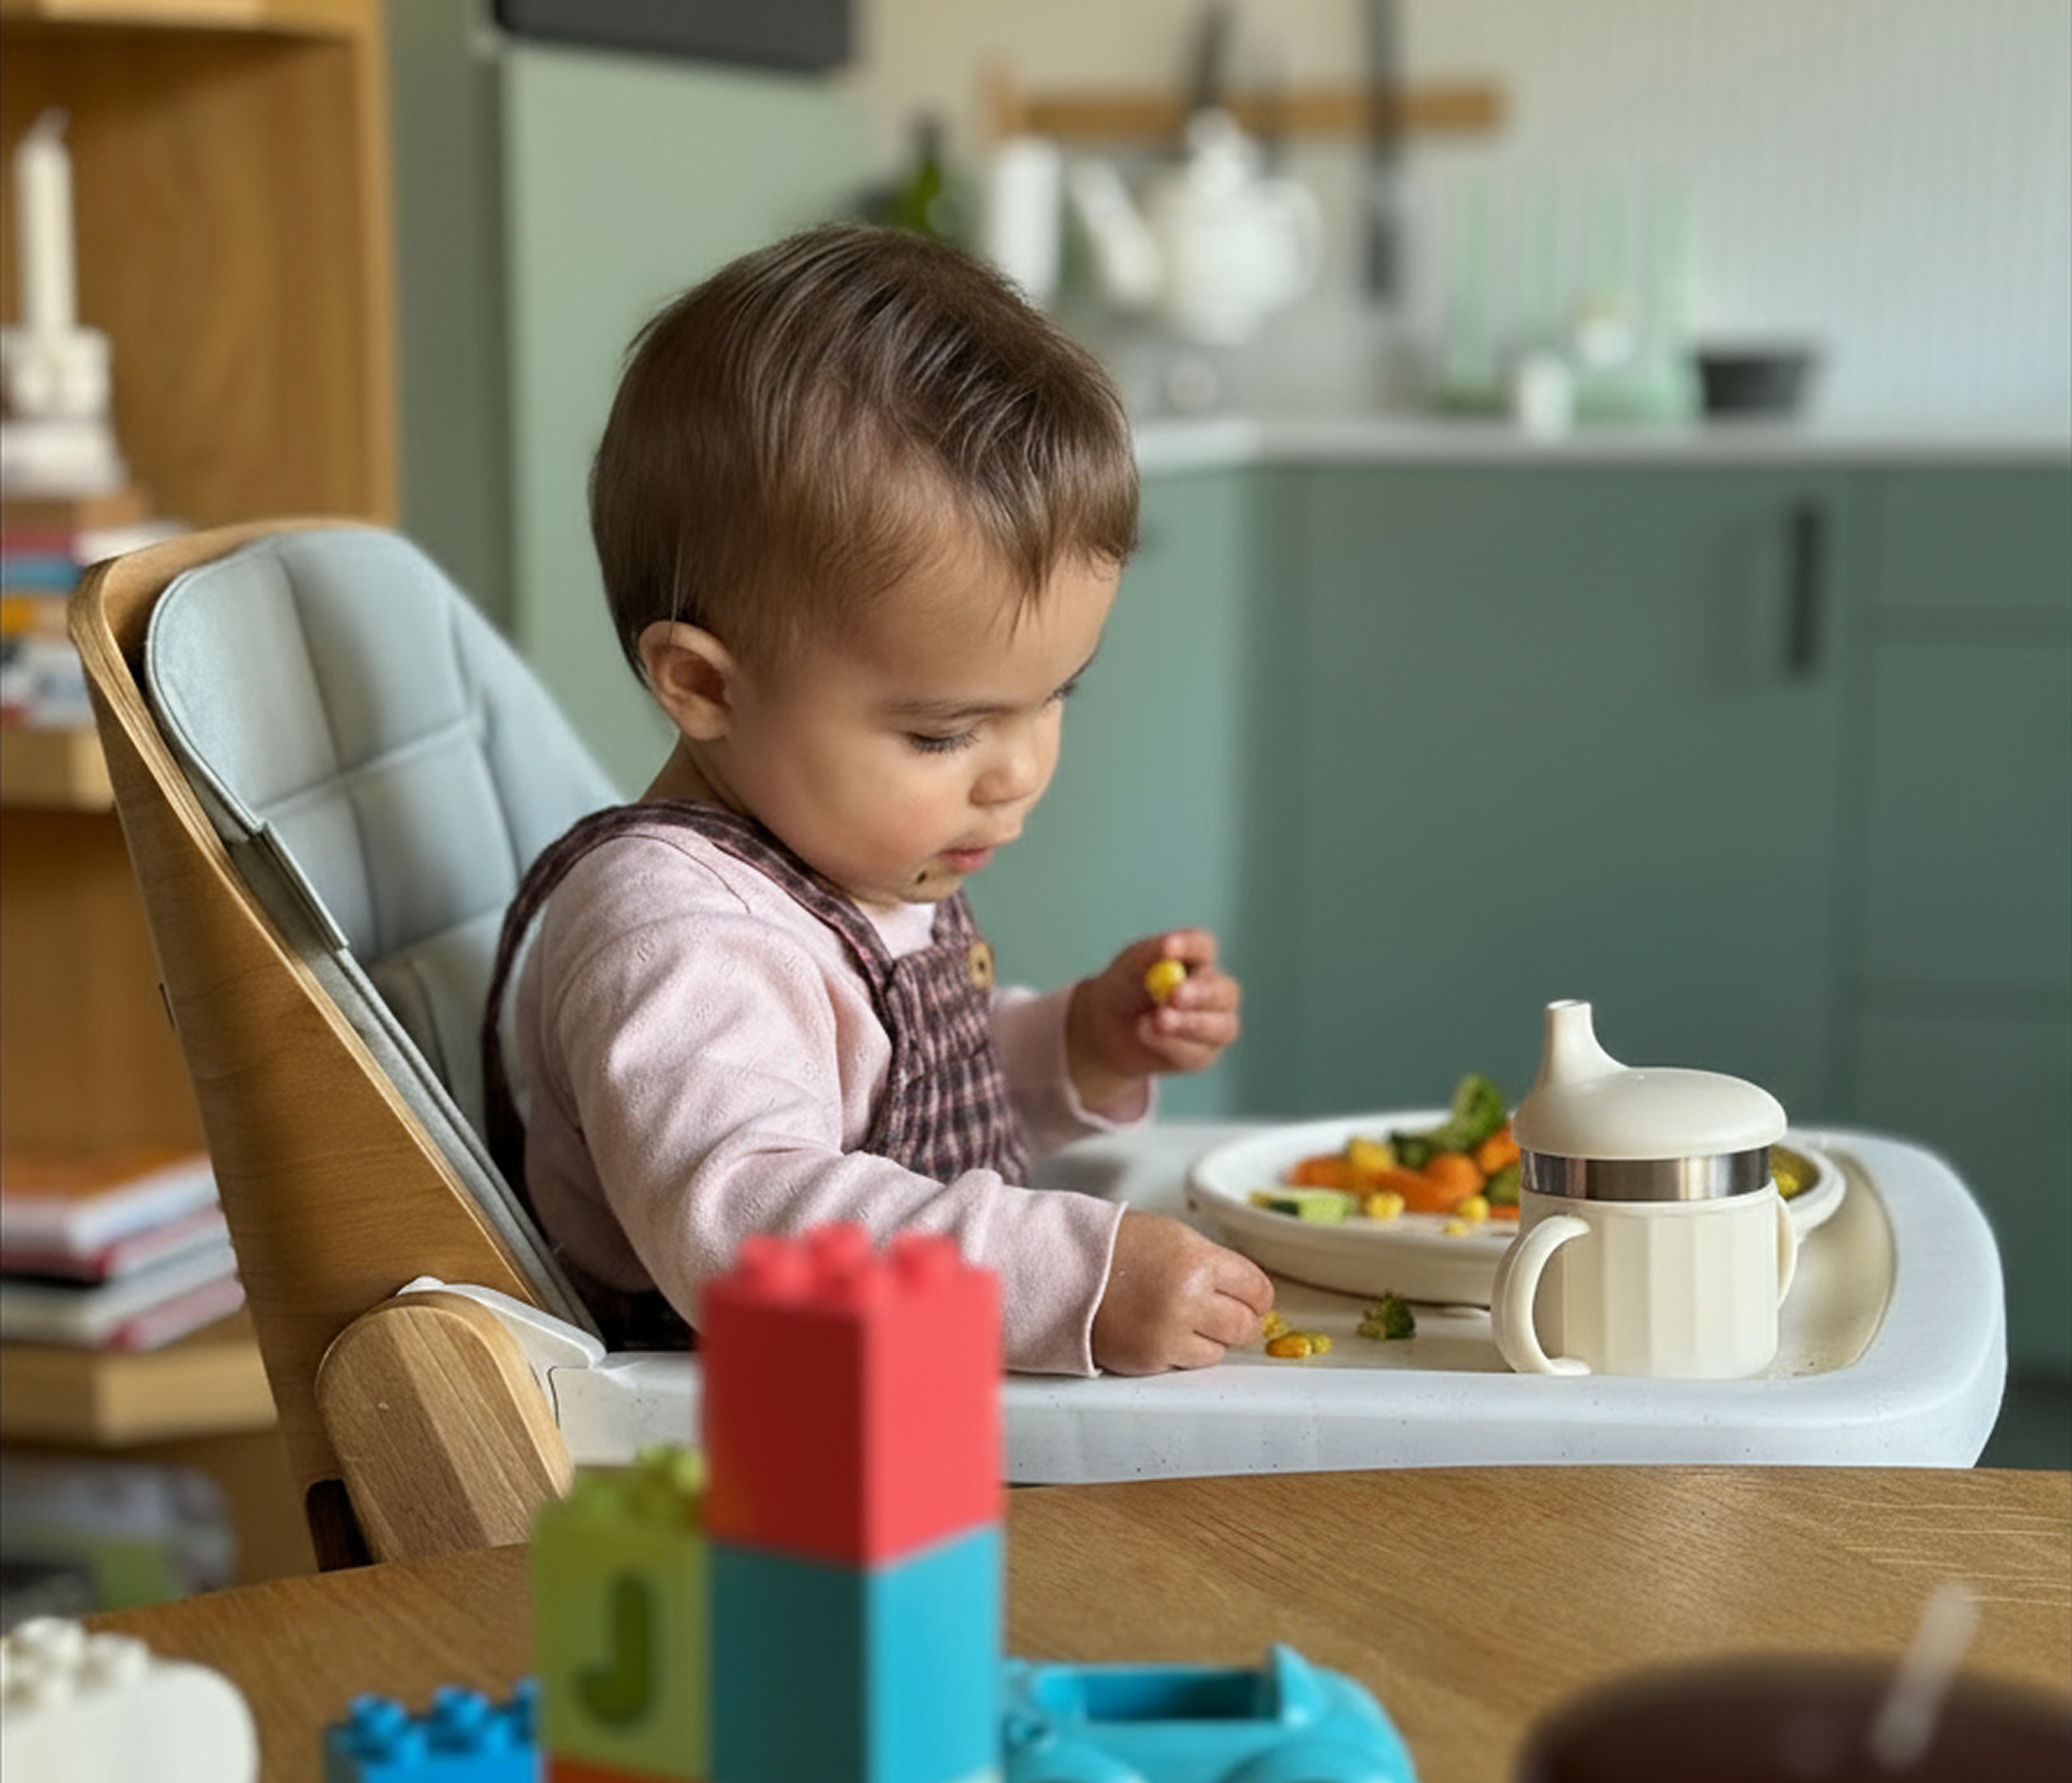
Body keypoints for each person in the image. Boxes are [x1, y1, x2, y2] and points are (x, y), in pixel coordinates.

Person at [484, 223, 1273, 1376]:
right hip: (744, 1456)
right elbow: (750, 1229)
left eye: (1052, 697)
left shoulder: (848, 860)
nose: (1016, 772)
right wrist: (1063, 1283)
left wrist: (1074, 1049)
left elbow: (889, 1098)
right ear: (704, 684)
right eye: (943, 731)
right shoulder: (678, 934)